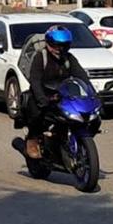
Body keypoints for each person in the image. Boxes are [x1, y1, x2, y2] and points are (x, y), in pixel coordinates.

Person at [24, 25, 91, 159]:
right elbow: (35, 80)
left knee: (90, 116)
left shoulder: (68, 58)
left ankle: (77, 140)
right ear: (49, 43)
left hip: (63, 96)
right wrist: (42, 99)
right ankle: (32, 139)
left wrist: (93, 94)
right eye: (57, 45)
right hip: (43, 96)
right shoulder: (40, 57)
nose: (60, 49)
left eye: (64, 45)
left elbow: (81, 75)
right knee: (37, 113)